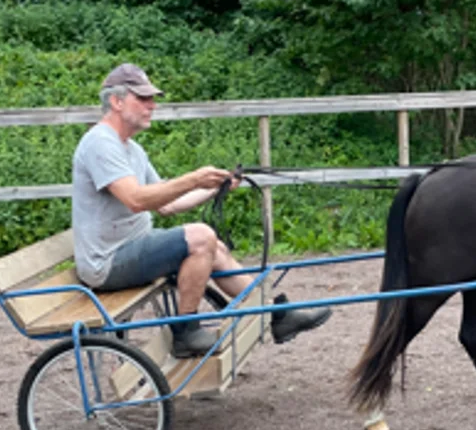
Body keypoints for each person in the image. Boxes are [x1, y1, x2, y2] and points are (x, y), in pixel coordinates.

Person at [72, 63, 331, 357]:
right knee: (201, 237)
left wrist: (213, 186)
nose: (152, 105)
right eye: (142, 99)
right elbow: (136, 200)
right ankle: (185, 332)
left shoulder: (131, 148)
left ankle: (275, 314)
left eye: (152, 99)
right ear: (117, 102)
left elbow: (167, 203)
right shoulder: (100, 144)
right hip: (106, 263)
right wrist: (194, 178)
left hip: (130, 249)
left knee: (215, 247)